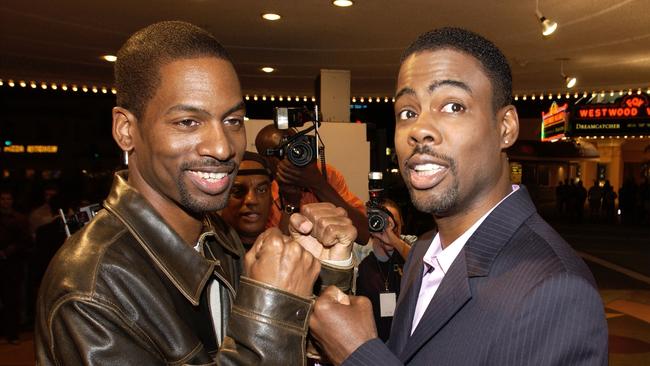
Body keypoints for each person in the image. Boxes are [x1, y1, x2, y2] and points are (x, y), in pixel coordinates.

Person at [35, 21, 356, 365]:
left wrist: (325, 270)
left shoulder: (221, 241)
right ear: (127, 131)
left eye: (232, 121)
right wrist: (272, 308)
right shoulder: (91, 288)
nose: (222, 147)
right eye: (188, 122)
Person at [309, 27, 608, 365]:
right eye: (407, 112)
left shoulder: (556, 290)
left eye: (453, 106)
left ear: (506, 127)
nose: (418, 129)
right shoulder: (424, 249)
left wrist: (359, 355)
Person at [255, 124, 371, 244]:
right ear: (267, 163)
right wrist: (291, 204)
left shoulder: (326, 174)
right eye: (280, 151)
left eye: (293, 146)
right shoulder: (266, 192)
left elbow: (363, 234)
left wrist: (318, 184)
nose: (290, 155)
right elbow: (278, 254)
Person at [355, 199, 414, 342]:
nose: (389, 230)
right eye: (383, 223)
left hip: (404, 339)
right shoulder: (359, 253)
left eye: (394, 224)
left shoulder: (409, 245)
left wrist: (395, 241)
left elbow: (424, 263)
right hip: (372, 340)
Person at [220, 151, 274, 250]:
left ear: (271, 199)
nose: (251, 200)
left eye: (261, 190)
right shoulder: (204, 254)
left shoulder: (286, 253)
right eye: (237, 191)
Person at [0, 189, 31, 344]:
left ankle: (12, 333)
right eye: (3, 198)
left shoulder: (20, 219)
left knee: (12, 300)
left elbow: (25, 241)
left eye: (8, 198)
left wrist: (10, 251)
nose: (5, 201)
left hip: (13, 265)